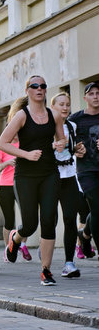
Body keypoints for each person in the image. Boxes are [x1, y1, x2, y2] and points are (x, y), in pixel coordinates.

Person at [0, 75, 67, 286]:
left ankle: (45, 270)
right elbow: (3, 143)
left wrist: (61, 145)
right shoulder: (21, 116)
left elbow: (61, 138)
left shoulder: (54, 115)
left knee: (49, 220)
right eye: (35, 86)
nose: (39, 89)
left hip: (49, 173)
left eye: (43, 86)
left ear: (46, 90)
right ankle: (15, 240)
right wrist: (26, 155)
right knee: (29, 225)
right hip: (26, 175)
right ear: (27, 90)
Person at [50, 92, 83, 278]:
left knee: (70, 218)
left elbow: (75, 146)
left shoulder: (72, 126)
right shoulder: (45, 128)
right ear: (53, 107)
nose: (65, 107)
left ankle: (69, 263)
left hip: (69, 176)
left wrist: (79, 149)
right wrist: (53, 146)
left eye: (67, 104)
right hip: (50, 177)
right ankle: (46, 248)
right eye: (61, 104)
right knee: (50, 219)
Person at [68, 82, 99, 263]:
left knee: (96, 211)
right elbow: (63, 141)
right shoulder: (75, 119)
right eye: (92, 93)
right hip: (86, 170)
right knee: (97, 207)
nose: (95, 96)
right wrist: (75, 149)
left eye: (98, 93)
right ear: (85, 97)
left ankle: (85, 235)